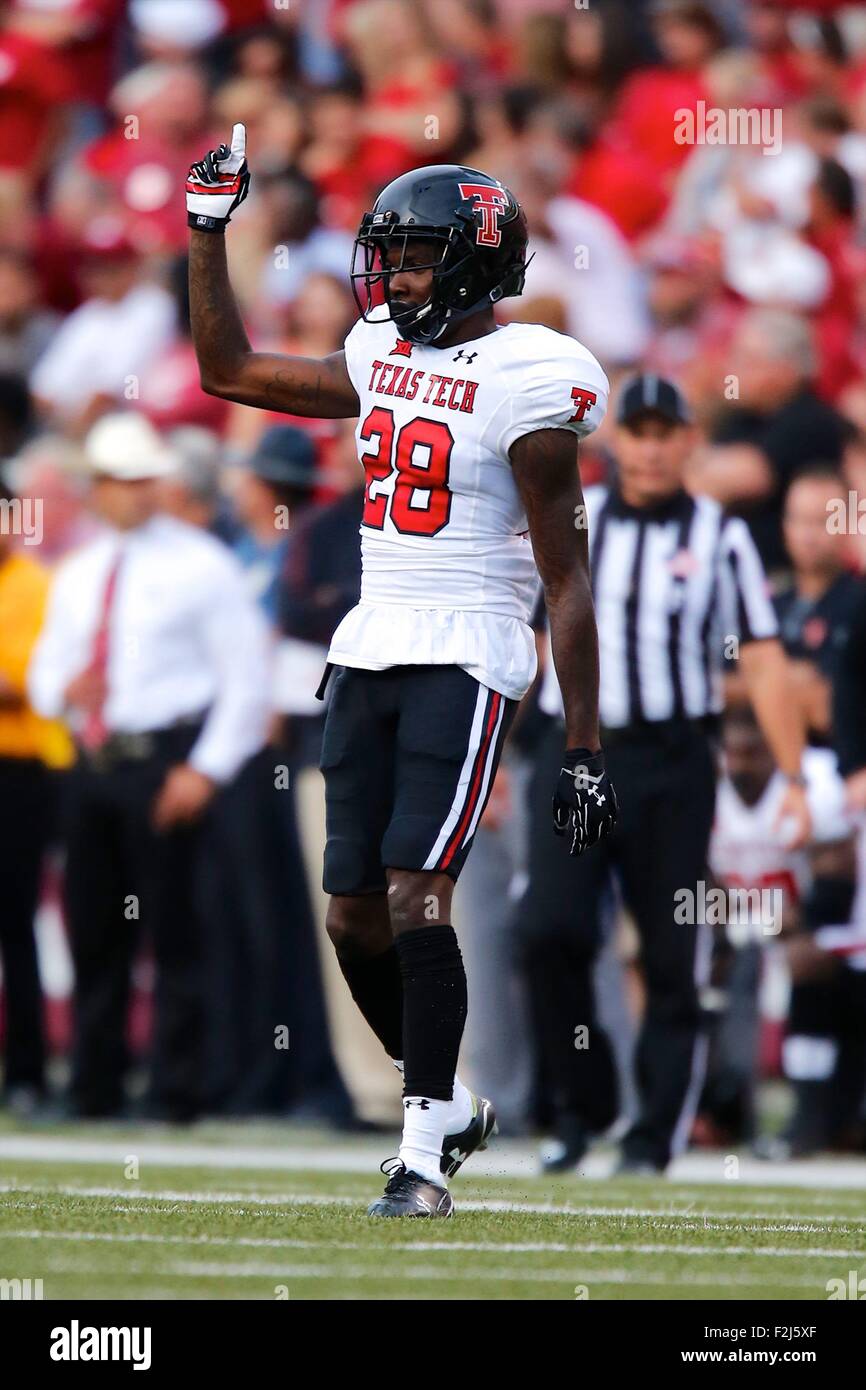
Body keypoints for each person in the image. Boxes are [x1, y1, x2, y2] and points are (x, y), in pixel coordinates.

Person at [186, 127, 617, 1216]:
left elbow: (565, 579)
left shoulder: (534, 377)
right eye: (388, 254)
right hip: (369, 644)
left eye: (413, 255)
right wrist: (205, 232)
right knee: (352, 916)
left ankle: (420, 1150)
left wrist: (580, 750)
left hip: (467, 652)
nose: (391, 276)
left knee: (420, 894)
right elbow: (229, 370)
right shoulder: (380, 348)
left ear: (474, 259)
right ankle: (455, 1100)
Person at [525, 373, 810, 1175]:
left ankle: (653, 1137)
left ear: (688, 442)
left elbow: (760, 653)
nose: (649, 449)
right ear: (614, 439)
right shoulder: (575, 517)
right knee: (547, 930)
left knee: (670, 952)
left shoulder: (721, 535)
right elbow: (524, 629)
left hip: (672, 759)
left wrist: (793, 776)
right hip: (579, 748)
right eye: (637, 432)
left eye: (664, 433)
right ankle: (580, 1109)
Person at [28, 412, 271, 1121]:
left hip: (165, 758)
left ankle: (178, 1088)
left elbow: (244, 679)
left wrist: (206, 770)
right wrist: (60, 692)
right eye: (117, 482)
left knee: (175, 931)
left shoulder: (201, 565)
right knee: (94, 928)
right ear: (97, 488)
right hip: (94, 760)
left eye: (141, 480)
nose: (130, 494)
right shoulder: (80, 571)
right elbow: (50, 667)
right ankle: (95, 1085)